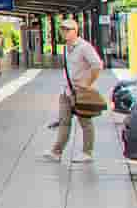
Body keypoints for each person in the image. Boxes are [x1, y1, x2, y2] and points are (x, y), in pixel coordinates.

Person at [44, 18, 107, 164]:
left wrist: (87, 83)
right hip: (66, 91)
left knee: (85, 122)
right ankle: (56, 152)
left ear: (75, 31)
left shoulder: (84, 47)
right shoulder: (66, 47)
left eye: (67, 30)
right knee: (64, 121)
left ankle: (87, 152)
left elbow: (97, 65)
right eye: (62, 30)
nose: (64, 32)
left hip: (80, 92)